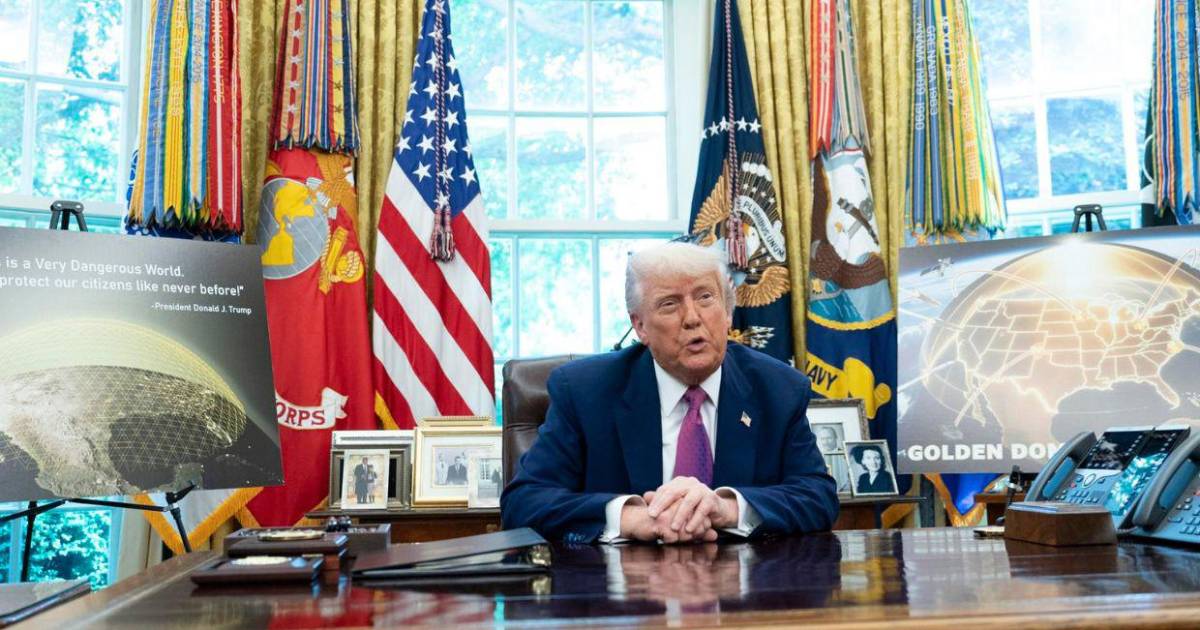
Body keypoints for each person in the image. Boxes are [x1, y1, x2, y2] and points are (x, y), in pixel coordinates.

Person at [501, 242, 838, 543]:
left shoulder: (778, 389)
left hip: (743, 585)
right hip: (624, 587)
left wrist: (726, 508)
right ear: (640, 326)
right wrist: (633, 518)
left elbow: (817, 496)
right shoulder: (584, 391)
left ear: (728, 312)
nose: (692, 318)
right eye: (669, 304)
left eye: (705, 297)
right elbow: (524, 502)